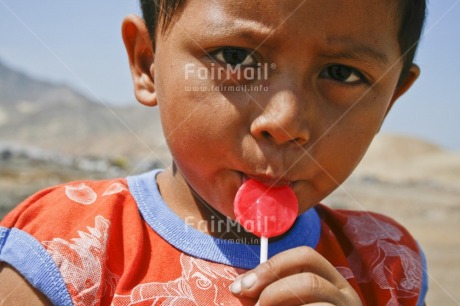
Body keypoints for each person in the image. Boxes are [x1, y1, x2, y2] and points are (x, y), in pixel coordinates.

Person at [0, 0, 428, 305]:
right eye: (235, 56)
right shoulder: (63, 250)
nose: (284, 121)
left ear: (391, 98)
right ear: (148, 63)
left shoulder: (387, 265)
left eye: (342, 73)